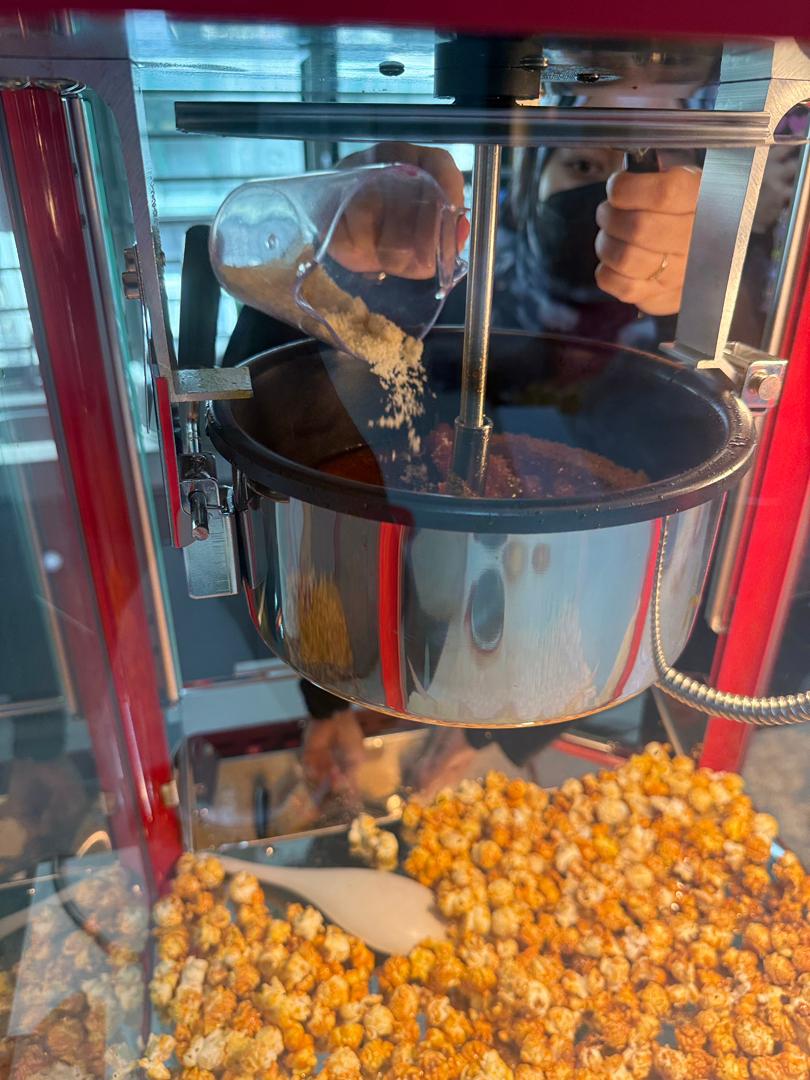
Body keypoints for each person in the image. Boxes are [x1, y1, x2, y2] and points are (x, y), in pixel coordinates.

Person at [220, 139, 703, 794]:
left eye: (638, 167)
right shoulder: (445, 271)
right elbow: (295, 442)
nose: (618, 207)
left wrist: (718, 266)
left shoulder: (694, 334)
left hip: (601, 657)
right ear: (527, 173)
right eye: (583, 166)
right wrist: (332, 256)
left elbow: (683, 571)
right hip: (394, 632)